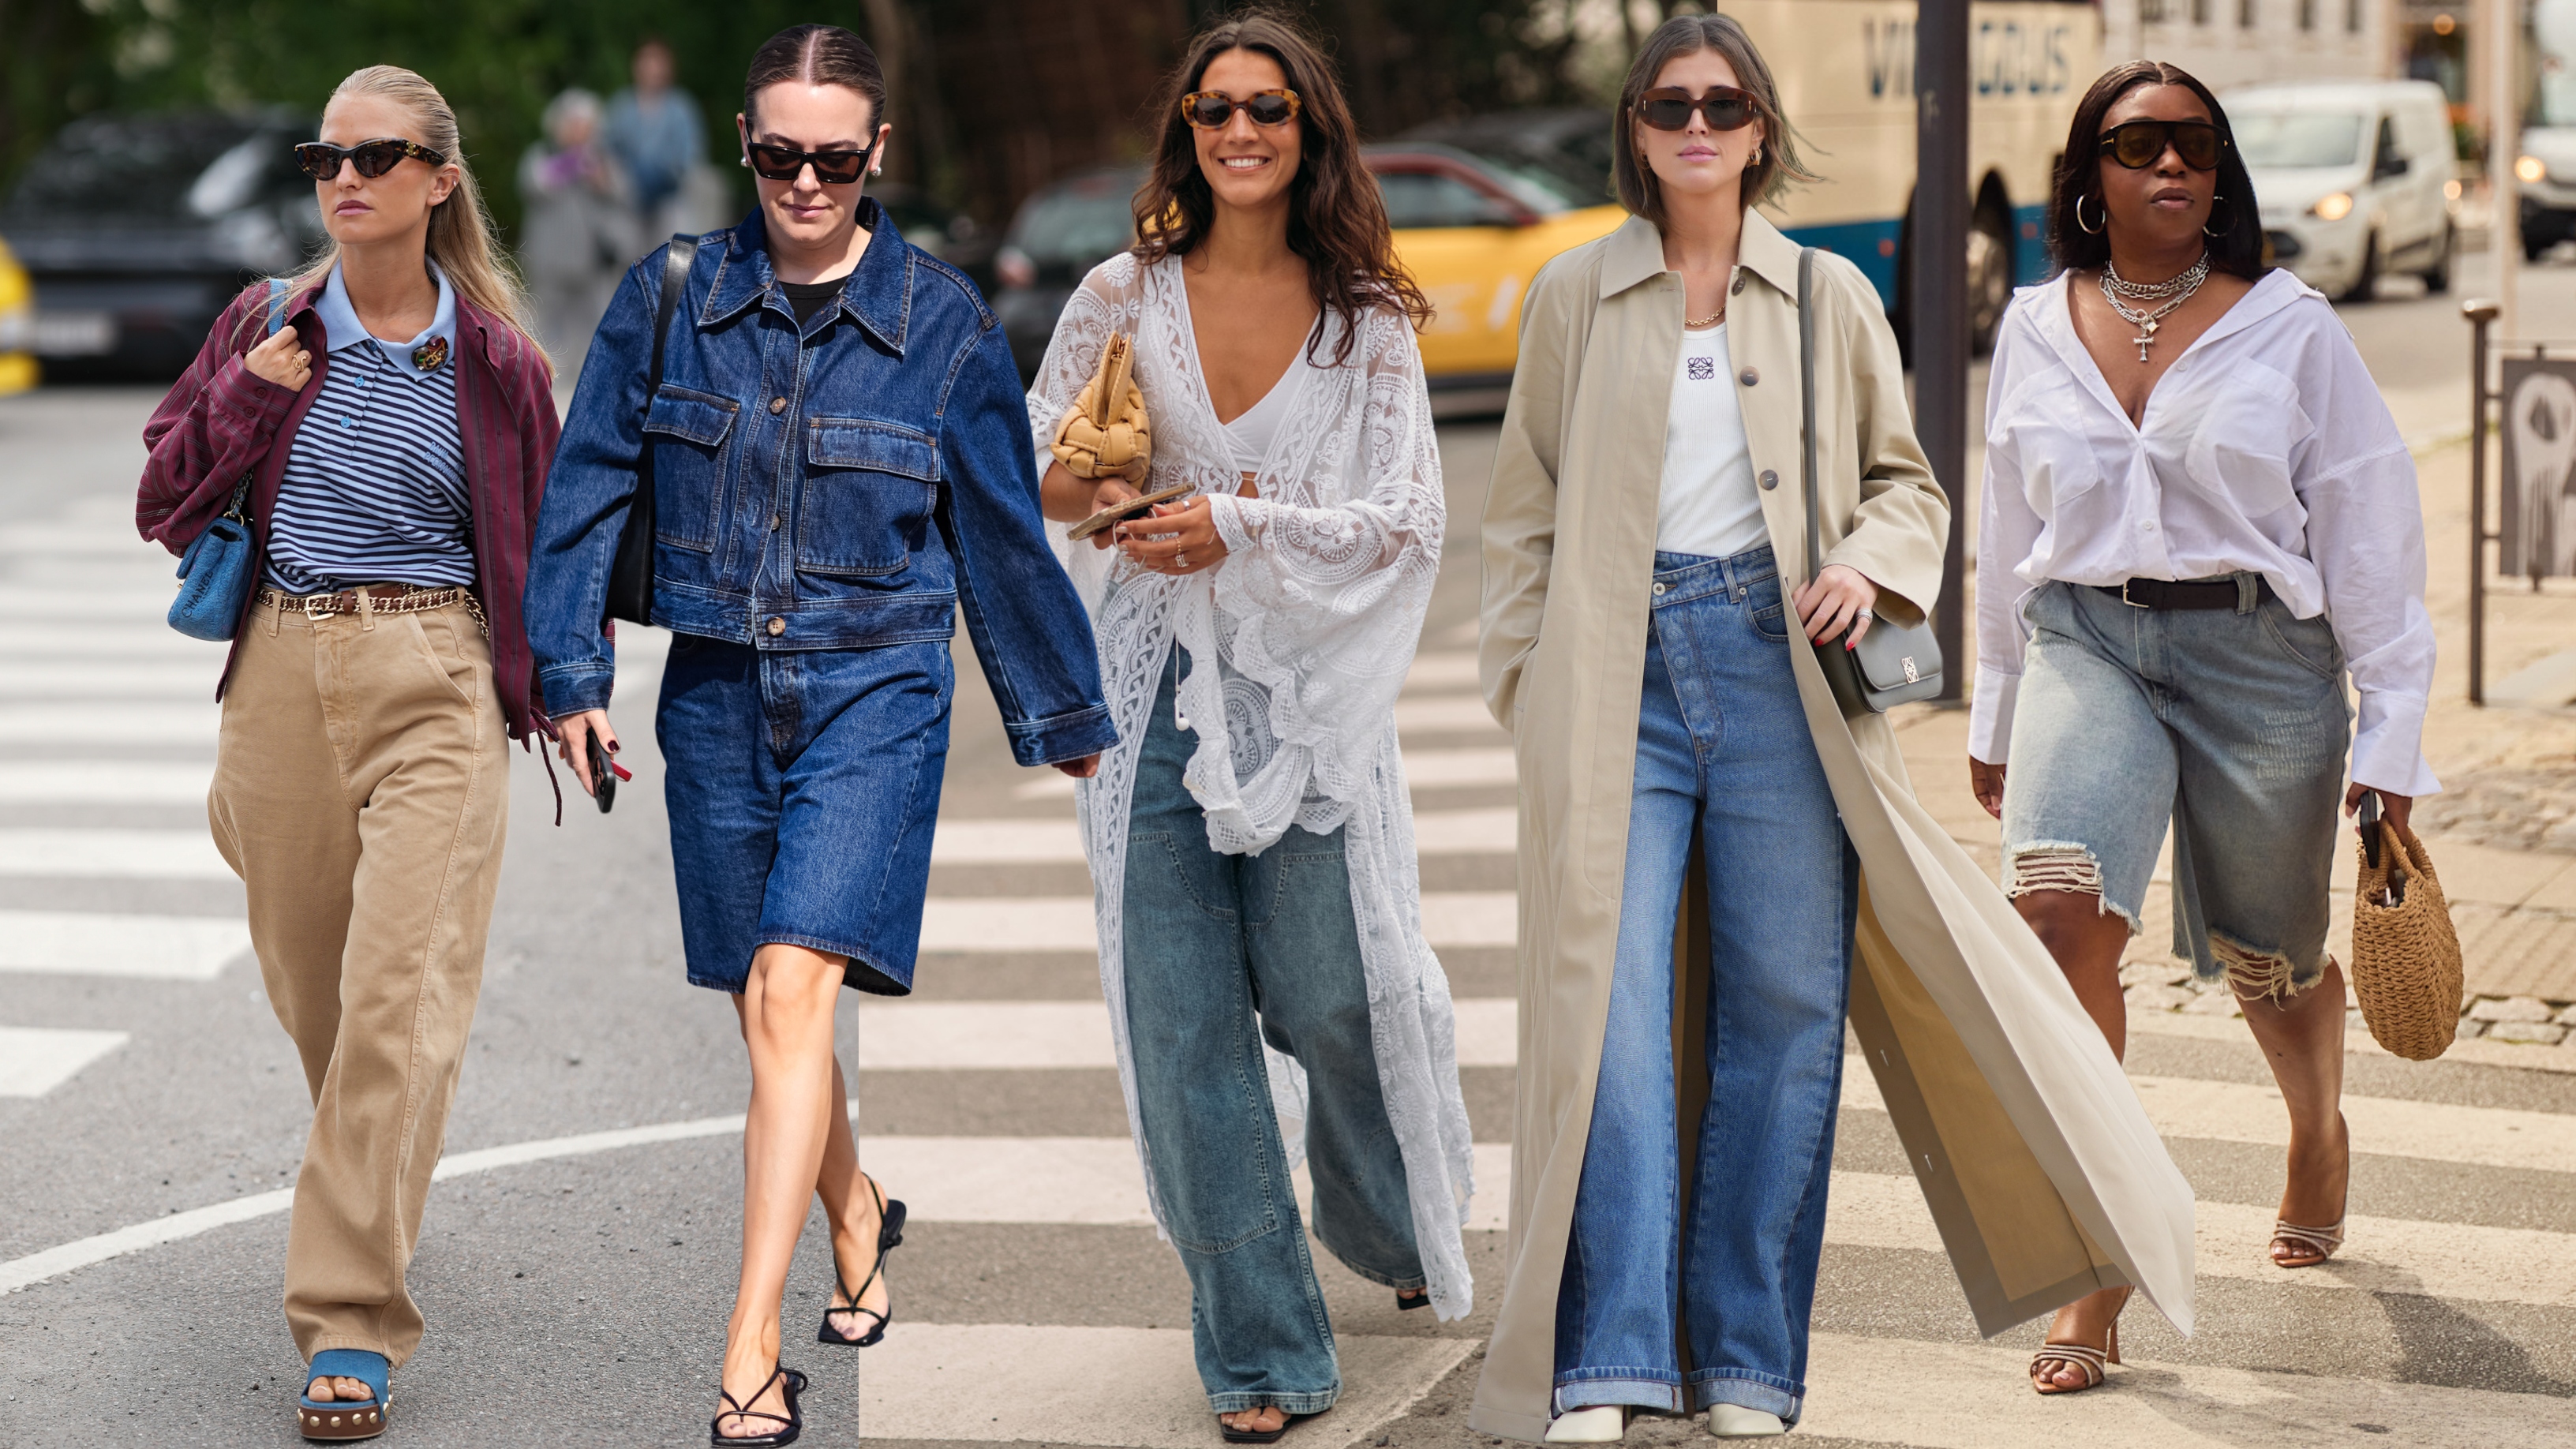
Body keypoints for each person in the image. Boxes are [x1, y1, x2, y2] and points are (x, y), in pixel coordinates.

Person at [1471, 16, 2198, 1443]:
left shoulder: (1819, 295)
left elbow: (1905, 484)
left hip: (1779, 672)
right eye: (1668, 103)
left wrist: (1865, 564)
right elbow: (1519, 521)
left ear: (1756, 131)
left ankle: (1743, 1364)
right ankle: (1608, 1361)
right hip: (1610, 682)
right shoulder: (1571, 295)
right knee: (1604, 1025)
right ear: (1636, 127)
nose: (1694, 123)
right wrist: (1528, 692)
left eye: (1721, 103)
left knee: (1784, 1017)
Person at [525, 24, 1115, 1446]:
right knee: (766, 1009)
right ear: (744, 145)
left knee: (794, 994)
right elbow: (589, 483)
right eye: (780, 154)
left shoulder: (945, 324)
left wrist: (1066, 715)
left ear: (877, 156)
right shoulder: (673, 295)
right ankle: (854, 1204)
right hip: (717, 699)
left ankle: (747, 1352)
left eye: (833, 159)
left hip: (877, 697)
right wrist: (569, 672)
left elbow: (996, 533)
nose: (805, 182)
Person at [1026, 11, 1474, 1442]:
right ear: (1186, 130)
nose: (1238, 131)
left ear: (1308, 131)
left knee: (1332, 998)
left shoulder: (1365, 322)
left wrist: (1237, 523)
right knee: (1183, 1029)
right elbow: (1036, 473)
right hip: (1144, 694)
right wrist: (1097, 489)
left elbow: (1410, 522)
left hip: (1305, 706)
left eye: (1267, 109)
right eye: (1214, 109)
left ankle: (1391, 1219)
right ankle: (1264, 1350)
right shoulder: (1118, 294)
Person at [1969, 60, 2438, 1396]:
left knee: (2268, 961)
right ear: (2087, 175)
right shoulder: (2029, 325)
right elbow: (2008, 530)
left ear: (2217, 174)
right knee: (2056, 916)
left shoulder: (2288, 328)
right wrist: (1996, 699)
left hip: (2259, 660)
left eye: (2192, 144)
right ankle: (2092, 1262)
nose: (2168, 165)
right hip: (2084, 641)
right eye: (2135, 143)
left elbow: (2366, 525)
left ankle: (2313, 1130)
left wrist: (2388, 745)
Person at [133, 64, 558, 1441]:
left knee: (393, 1003)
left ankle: (350, 1320)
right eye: (328, 155)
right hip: (279, 675)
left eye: (378, 155)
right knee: (325, 1005)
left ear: (440, 178)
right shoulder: (266, 323)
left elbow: (554, 552)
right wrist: (251, 399)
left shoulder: (496, 363)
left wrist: (574, 695)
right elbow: (161, 495)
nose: (347, 177)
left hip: (433, 675)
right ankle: (376, 1195)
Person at [519, 88, 639, 374]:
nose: (578, 132)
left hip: (592, 260)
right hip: (550, 258)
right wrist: (565, 168)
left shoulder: (601, 160)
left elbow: (626, 193)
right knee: (547, 320)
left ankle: (589, 375)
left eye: (584, 126)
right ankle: (543, 375)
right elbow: (531, 185)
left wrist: (602, 179)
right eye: (572, 124)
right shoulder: (542, 154)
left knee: (593, 321)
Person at [605, 38, 710, 240]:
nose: (653, 70)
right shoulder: (621, 105)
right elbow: (607, 146)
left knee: (678, 231)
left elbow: (691, 155)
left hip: (669, 191)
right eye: (647, 62)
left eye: (659, 63)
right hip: (626, 194)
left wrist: (663, 173)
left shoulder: (682, 107)